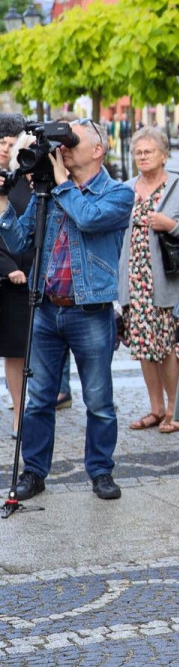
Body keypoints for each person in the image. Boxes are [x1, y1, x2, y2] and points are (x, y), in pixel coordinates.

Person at [1, 120, 134, 501]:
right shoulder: (49, 192)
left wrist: (59, 186)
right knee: (39, 398)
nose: (65, 148)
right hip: (45, 308)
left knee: (98, 399)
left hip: (89, 310)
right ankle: (34, 473)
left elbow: (90, 219)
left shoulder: (117, 193)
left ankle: (101, 472)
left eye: (74, 141)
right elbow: (17, 238)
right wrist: (8, 200)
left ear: (98, 150)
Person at [117, 127, 179, 434]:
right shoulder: (126, 188)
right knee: (142, 347)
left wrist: (172, 225)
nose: (143, 157)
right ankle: (156, 407)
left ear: (164, 154)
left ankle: (175, 408)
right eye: (138, 152)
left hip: (167, 280)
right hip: (134, 279)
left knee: (166, 347)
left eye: (149, 151)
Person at [0, 133, 32, 440]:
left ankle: (31, 412)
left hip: (35, 277)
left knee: (32, 351)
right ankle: (20, 414)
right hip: (10, 279)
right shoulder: (8, 185)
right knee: (14, 350)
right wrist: (9, 268)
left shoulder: (34, 185)